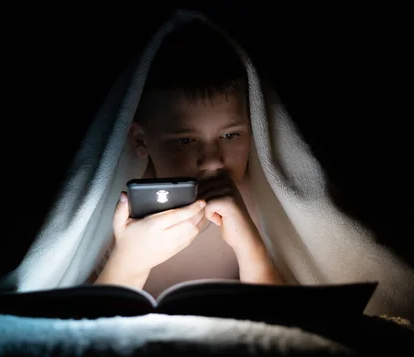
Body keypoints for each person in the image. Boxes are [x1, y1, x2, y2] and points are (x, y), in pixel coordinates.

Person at [90, 21, 284, 296]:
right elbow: (77, 319)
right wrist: (128, 262)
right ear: (140, 140)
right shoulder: (114, 212)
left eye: (230, 136)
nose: (213, 161)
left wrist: (250, 248)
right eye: (184, 141)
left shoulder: (264, 205)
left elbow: (285, 314)